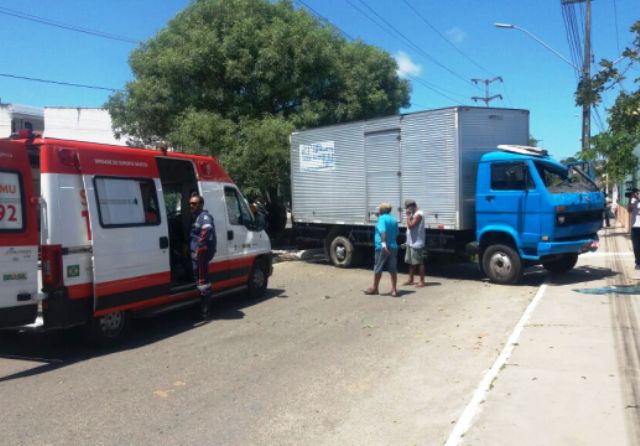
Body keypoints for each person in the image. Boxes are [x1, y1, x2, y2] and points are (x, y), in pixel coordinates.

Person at [189, 194, 217, 318]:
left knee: (202, 280)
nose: (191, 205)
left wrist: (200, 246)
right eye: (190, 203)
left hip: (201, 253)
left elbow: (207, 229)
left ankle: (206, 309)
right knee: (198, 276)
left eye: (194, 204)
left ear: (201, 205)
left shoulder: (204, 216)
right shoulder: (196, 217)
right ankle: (202, 304)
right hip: (196, 253)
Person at [364, 202, 399, 297]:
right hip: (393, 246)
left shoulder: (381, 219)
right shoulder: (394, 220)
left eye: (379, 208)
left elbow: (383, 232)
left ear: (382, 210)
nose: (378, 210)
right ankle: (394, 290)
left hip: (382, 248)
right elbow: (396, 234)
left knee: (378, 268)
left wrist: (384, 245)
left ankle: (375, 288)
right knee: (393, 269)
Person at [402, 199, 426, 287]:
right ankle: (411, 279)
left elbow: (411, 226)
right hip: (411, 242)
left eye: (408, 208)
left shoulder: (419, 214)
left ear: (412, 206)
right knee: (411, 262)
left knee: (419, 262)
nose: (407, 210)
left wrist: (408, 217)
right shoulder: (414, 214)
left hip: (417, 243)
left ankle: (422, 281)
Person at [627, 188, 640, 270]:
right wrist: (629, 199)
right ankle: (638, 263)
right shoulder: (632, 200)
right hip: (635, 227)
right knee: (636, 246)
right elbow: (629, 210)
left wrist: (638, 198)